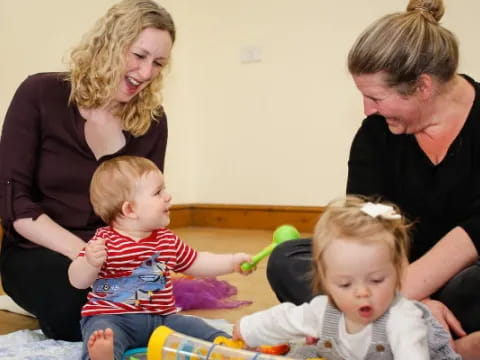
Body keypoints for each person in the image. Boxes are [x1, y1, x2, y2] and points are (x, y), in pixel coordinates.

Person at [267, 0, 480, 358]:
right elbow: (360, 225)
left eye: (374, 97)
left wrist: (398, 296)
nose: (367, 110)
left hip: (460, 281)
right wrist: (412, 303)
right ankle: (437, 342)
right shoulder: (375, 135)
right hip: (385, 279)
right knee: (289, 260)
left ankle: (382, 335)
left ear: (423, 87)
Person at [0, 0, 176, 341]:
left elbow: (143, 211)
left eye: (158, 63)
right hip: (37, 251)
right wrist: (85, 256)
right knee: (81, 305)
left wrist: (136, 261)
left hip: (112, 253)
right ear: (108, 43)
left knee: (149, 308)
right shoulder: (39, 93)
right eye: (138, 55)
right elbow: (13, 201)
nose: (146, 73)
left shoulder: (152, 122)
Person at [69, 155, 253, 360]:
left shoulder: (167, 239)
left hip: (162, 320)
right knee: (102, 333)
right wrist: (89, 263)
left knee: (193, 325)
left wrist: (232, 262)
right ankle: (104, 356)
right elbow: (77, 280)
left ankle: (224, 345)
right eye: (158, 192)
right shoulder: (104, 240)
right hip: (113, 317)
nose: (168, 196)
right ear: (129, 209)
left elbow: (197, 262)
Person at [233, 196, 460, 359]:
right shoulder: (324, 310)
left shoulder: (402, 319)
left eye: (377, 280)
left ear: (398, 274)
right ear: (325, 281)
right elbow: (286, 319)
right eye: (345, 284)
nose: (362, 292)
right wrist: (246, 329)